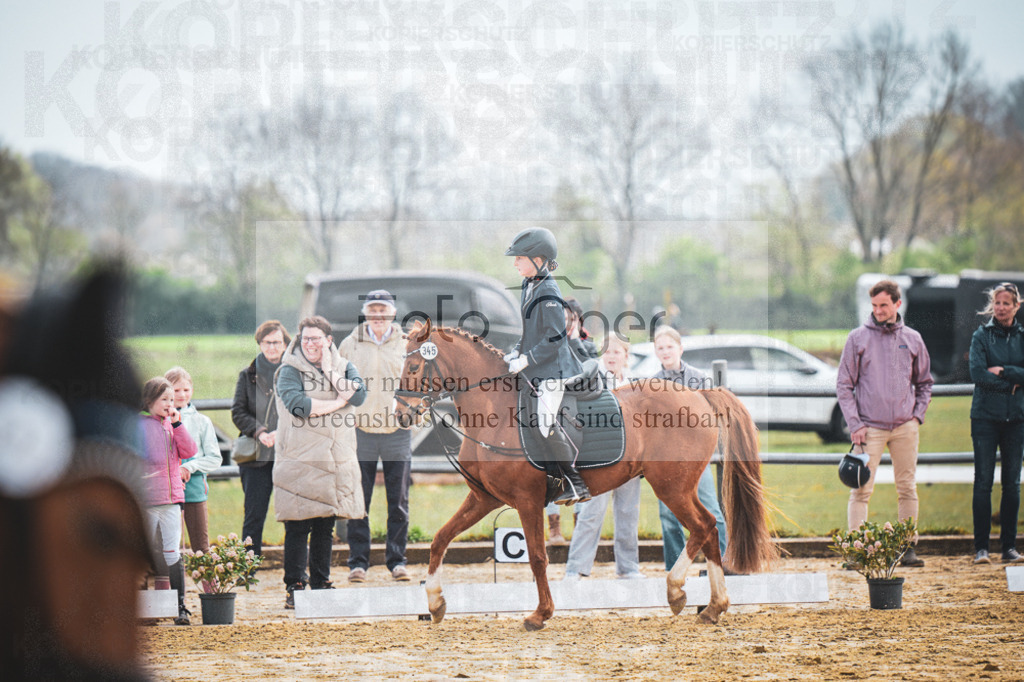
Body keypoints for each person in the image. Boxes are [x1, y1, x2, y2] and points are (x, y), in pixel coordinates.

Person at [837, 279, 933, 567]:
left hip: (905, 427)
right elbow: (844, 385)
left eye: (883, 305)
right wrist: (855, 424)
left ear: (897, 304)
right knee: (861, 489)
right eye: (874, 306)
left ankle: (907, 547)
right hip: (870, 428)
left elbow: (925, 382)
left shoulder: (913, 339)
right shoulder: (857, 339)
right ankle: (856, 551)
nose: (878, 311)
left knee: (907, 486)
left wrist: (917, 416)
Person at [274, 315, 367, 608]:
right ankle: (295, 585)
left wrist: (329, 371)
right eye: (305, 338)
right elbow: (299, 406)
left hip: (333, 458)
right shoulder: (288, 370)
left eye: (316, 338)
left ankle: (321, 580)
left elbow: (360, 395)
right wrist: (340, 402)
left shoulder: (343, 365)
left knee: (325, 525)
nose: (310, 343)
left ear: (328, 340)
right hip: (299, 457)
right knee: (298, 525)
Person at [504, 226, 590, 505]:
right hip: (538, 369)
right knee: (530, 423)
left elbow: (555, 338)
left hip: (554, 370)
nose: (515, 262)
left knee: (543, 424)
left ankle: (576, 484)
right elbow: (531, 331)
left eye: (519, 257)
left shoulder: (549, 289)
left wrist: (527, 359)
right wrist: (516, 350)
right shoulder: (530, 286)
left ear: (538, 259)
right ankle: (554, 483)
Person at [340, 290, 415, 583]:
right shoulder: (350, 343)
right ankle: (358, 562)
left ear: (392, 314)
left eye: (383, 310)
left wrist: (414, 418)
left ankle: (397, 561)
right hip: (361, 432)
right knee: (360, 499)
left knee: (398, 500)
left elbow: (420, 383)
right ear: (366, 313)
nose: (378, 316)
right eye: (373, 310)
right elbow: (338, 382)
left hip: (398, 431)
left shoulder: (407, 343)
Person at [563, 334, 644, 580]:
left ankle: (628, 567)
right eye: (607, 352)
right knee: (591, 514)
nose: (611, 356)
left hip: (630, 459)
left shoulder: (635, 385)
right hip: (600, 460)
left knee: (628, 513)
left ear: (626, 357)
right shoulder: (592, 381)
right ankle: (576, 568)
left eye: (616, 352)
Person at [650, 325, 728, 571]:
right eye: (660, 348)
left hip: (695, 458)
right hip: (667, 461)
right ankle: (674, 570)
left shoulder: (699, 379)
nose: (665, 352)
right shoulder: (653, 384)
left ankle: (720, 563)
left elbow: (710, 418)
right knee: (668, 515)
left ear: (680, 348)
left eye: (670, 346)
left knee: (709, 509)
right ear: (655, 351)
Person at [969, 282, 1024, 565]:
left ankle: (1009, 547)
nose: (1001, 307)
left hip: (1016, 420)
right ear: (993, 305)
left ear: (1017, 305)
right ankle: (981, 548)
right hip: (985, 419)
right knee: (983, 483)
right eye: (998, 303)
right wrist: (1011, 384)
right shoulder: (981, 336)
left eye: (1007, 303)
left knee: (1012, 484)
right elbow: (977, 373)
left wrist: (1005, 371)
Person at [140, 376, 198, 625]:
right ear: (150, 401)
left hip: (172, 500)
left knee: (173, 552)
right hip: (149, 500)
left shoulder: (172, 424)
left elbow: (189, 452)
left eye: (172, 400)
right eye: (164, 399)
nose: (169, 404)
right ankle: (140, 605)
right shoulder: (141, 425)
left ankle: (180, 606)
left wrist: (177, 426)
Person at [231, 320, 290, 560]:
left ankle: (294, 567)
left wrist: (281, 432)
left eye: (277, 342)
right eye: (267, 342)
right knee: (254, 514)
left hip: (288, 452)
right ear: (260, 344)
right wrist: (261, 431)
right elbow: (238, 411)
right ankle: (248, 565)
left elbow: (302, 409)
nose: (272, 347)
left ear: (285, 344)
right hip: (256, 456)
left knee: (292, 513)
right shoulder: (247, 376)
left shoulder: (296, 374)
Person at [165, 367, 221, 555]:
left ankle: (212, 586)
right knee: (166, 550)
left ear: (192, 391)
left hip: (194, 490)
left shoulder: (202, 422)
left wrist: (190, 466)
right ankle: (170, 586)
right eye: (176, 390)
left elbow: (214, 458)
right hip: (164, 492)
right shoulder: (158, 422)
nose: (181, 395)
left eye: (186, 390)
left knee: (201, 548)